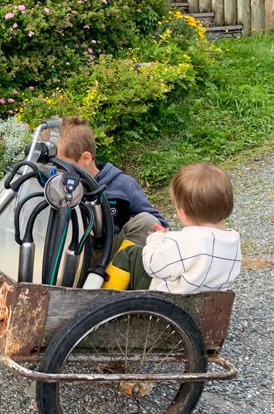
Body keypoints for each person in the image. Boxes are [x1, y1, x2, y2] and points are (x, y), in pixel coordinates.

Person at [103, 162, 242, 294]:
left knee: (131, 254)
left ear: (183, 213)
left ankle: (104, 302)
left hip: (165, 303)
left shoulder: (180, 242)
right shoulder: (232, 242)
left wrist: (156, 240)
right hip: (205, 304)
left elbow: (153, 266)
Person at [54, 116, 168, 247]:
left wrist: (162, 234)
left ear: (86, 158)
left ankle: (116, 268)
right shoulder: (56, 187)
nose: (59, 172)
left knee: (147, 220)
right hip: (70, 254)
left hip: (111, 255)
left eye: (62, 166)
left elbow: (159, 224)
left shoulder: (123, 184)